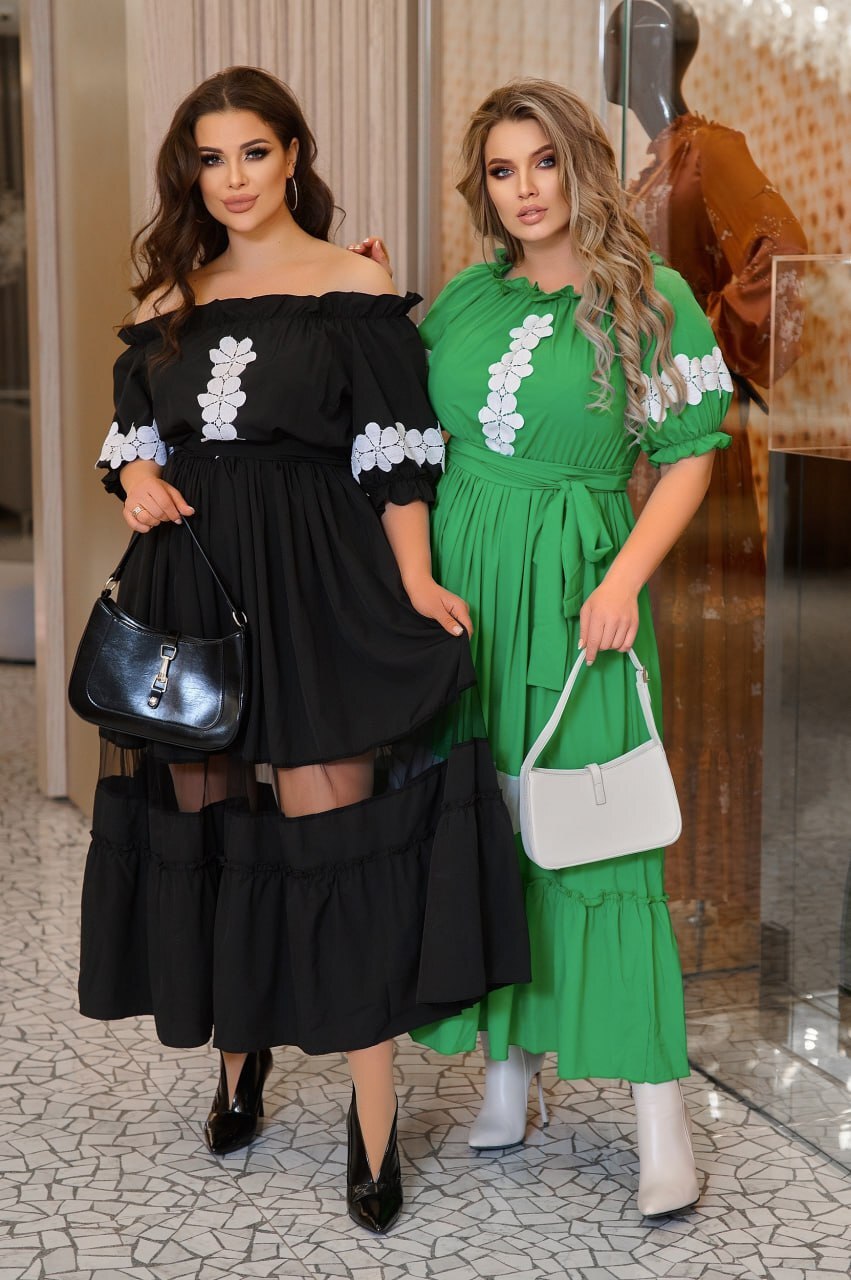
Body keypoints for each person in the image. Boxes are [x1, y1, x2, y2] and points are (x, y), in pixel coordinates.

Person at [78, 66, 530, 1236]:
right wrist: (137, 473)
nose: (232, 179)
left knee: (338, 841)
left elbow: (396, 450)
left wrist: (415, 578)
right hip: (191, 584)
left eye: (253, 153)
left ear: (292, 156)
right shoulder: (170, 296)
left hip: (317, 582)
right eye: (209, 158)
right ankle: (239, 1060)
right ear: (190, 173)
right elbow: (131, 431)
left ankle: (373, 1116)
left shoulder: (354, 286)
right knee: (213, 828)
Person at [350, 79, 733, 1217]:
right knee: (484, 826)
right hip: (465, 593)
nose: (524, 189)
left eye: (544, 162)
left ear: (581, 165)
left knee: (599, 839)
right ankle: (508, 1075)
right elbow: (403, 422)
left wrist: (622, 580)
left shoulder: (649, 297)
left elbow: (691, 452)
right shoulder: (467, 299)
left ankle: (659, 1119)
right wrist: (374, 303)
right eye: (502, 170)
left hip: (577, 590)